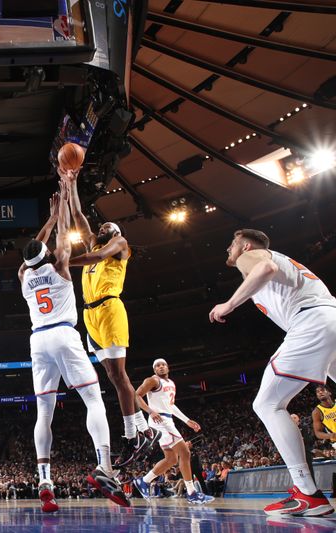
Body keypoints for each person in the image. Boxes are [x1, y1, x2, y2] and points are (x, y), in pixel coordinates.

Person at [209, 228, 336, 516]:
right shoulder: (280, 265)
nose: (228, 249)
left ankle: (307, 493)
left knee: (267, 403)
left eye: (232, 244)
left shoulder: (251, 256)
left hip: (312, 321)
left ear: (245, 245)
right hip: (329, 316)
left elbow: (265, 268)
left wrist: (228, 305)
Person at [18, 180, 127, 513]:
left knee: (44, 413)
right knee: (93, 399)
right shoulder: (61, 266)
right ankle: (105, 466)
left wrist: (49, 222)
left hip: (38, 340)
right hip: (65, 335)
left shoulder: (23, 274)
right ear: (48, 255)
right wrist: (60, 210)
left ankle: (45, 480)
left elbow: (35, 249)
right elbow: (64, 237)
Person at [61, 168, 158, 466]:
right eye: (100, 227)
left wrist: (63, 261)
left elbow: (96, 257)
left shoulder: (119, 245)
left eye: (106, 226)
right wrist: (72, 182)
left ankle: (132, 436)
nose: (101, 228)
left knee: (118, 376)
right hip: (90, 316)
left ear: (115, 233)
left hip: (110, 309)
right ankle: (142, 430)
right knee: (113, 378)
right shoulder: (94, 243)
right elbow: (78, 215)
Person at [132, 358, 214, 504]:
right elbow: (136, 395)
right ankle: (192, 493)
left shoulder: (171, 383)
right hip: (160, 421)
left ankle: (144, 481)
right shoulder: (152, 380)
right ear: (154, 369)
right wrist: (150, 411)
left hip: (167, 419)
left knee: (172, 459)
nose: (161, 367)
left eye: (163, 364)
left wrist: (187, 420)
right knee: (185, 452)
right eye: (157, 365)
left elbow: (171, 406)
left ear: (168, 367)